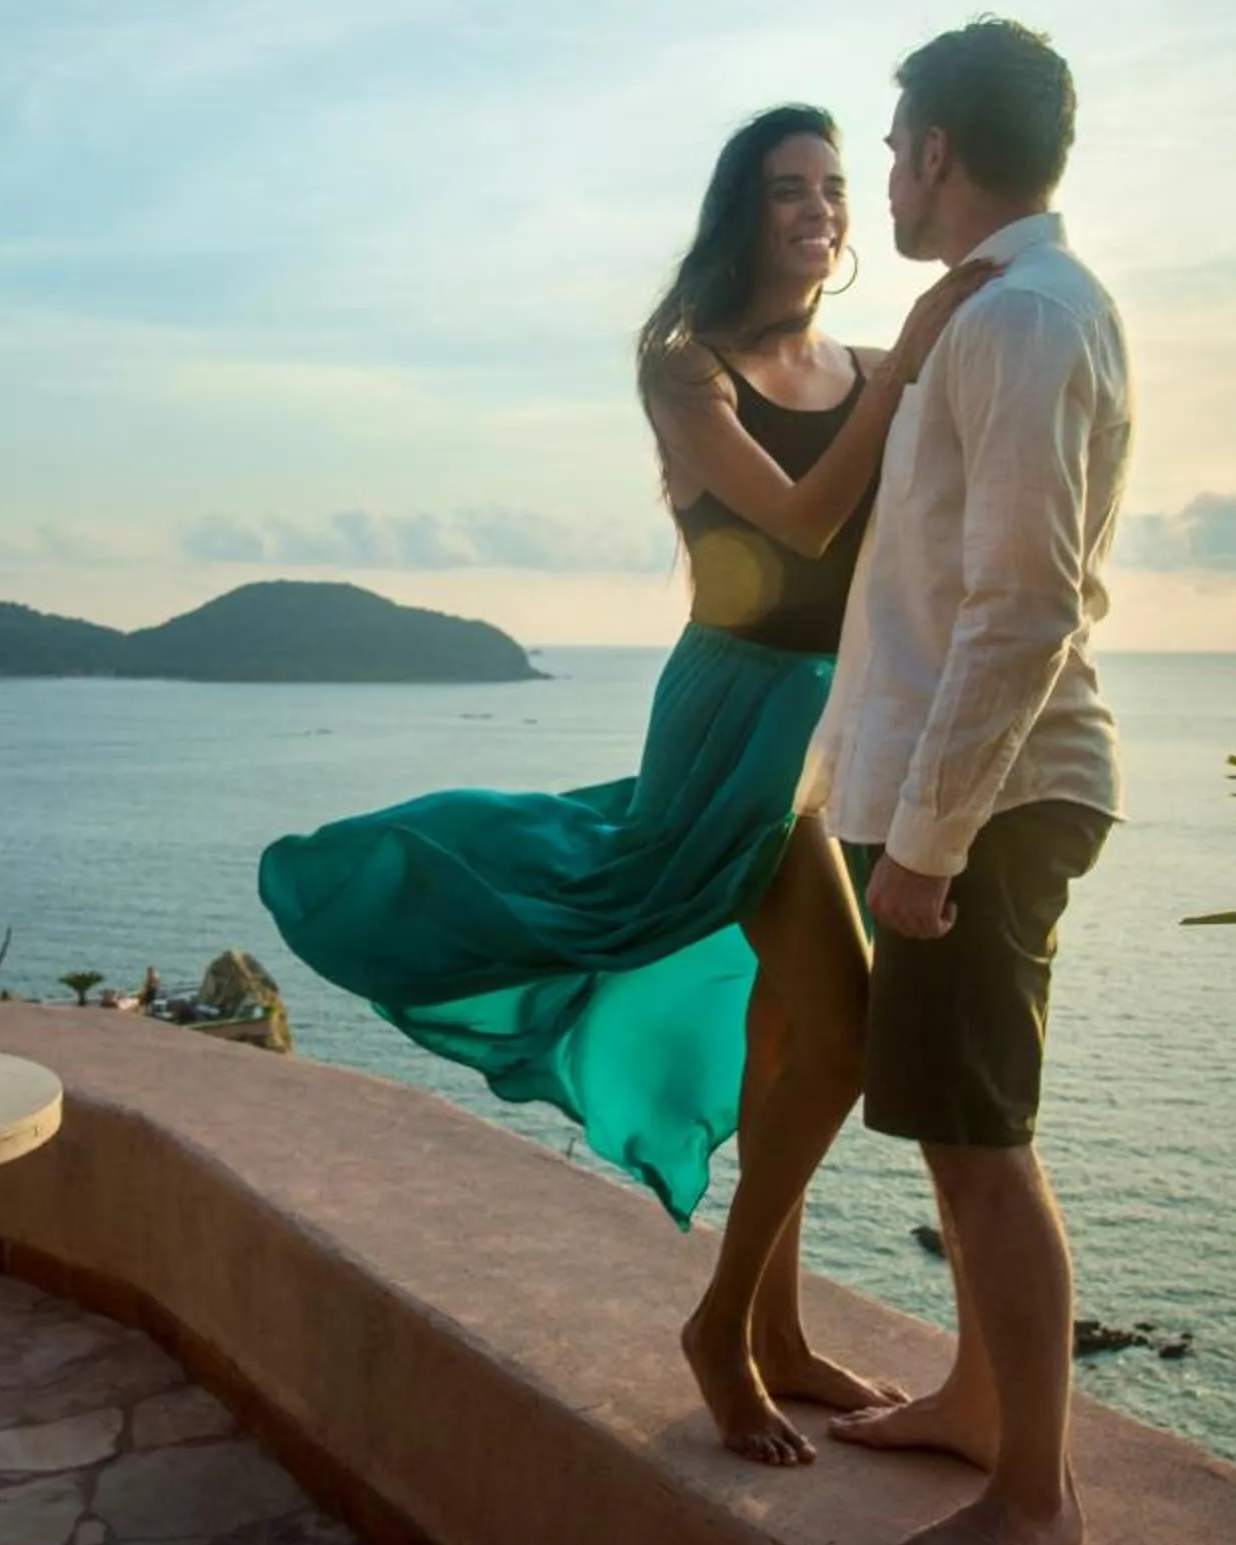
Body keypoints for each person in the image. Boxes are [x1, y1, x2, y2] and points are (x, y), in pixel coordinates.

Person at [258, 104, 993, 1466]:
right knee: (839, 1039)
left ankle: (769, 1330)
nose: (822, 209)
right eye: (791, 188)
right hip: (733, 716)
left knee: (793, 1035)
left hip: (824, 722)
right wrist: (912, 366)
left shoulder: (872, 359)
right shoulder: (686, 366)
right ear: (741, 209)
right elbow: (797, 516)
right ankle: (722, 1326)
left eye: (837, 186)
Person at [799, 19, 1132, 1545]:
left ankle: (1036, 1492)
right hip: (953, 786)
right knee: (951, 1122)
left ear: (936, 150)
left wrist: (926, 843)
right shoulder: (1000, 312)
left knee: (985, 1142)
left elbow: (1023, 608)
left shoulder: (1029, 319)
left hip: (988, 798)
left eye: (889, 146)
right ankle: (982, 1400)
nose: (881, 175)